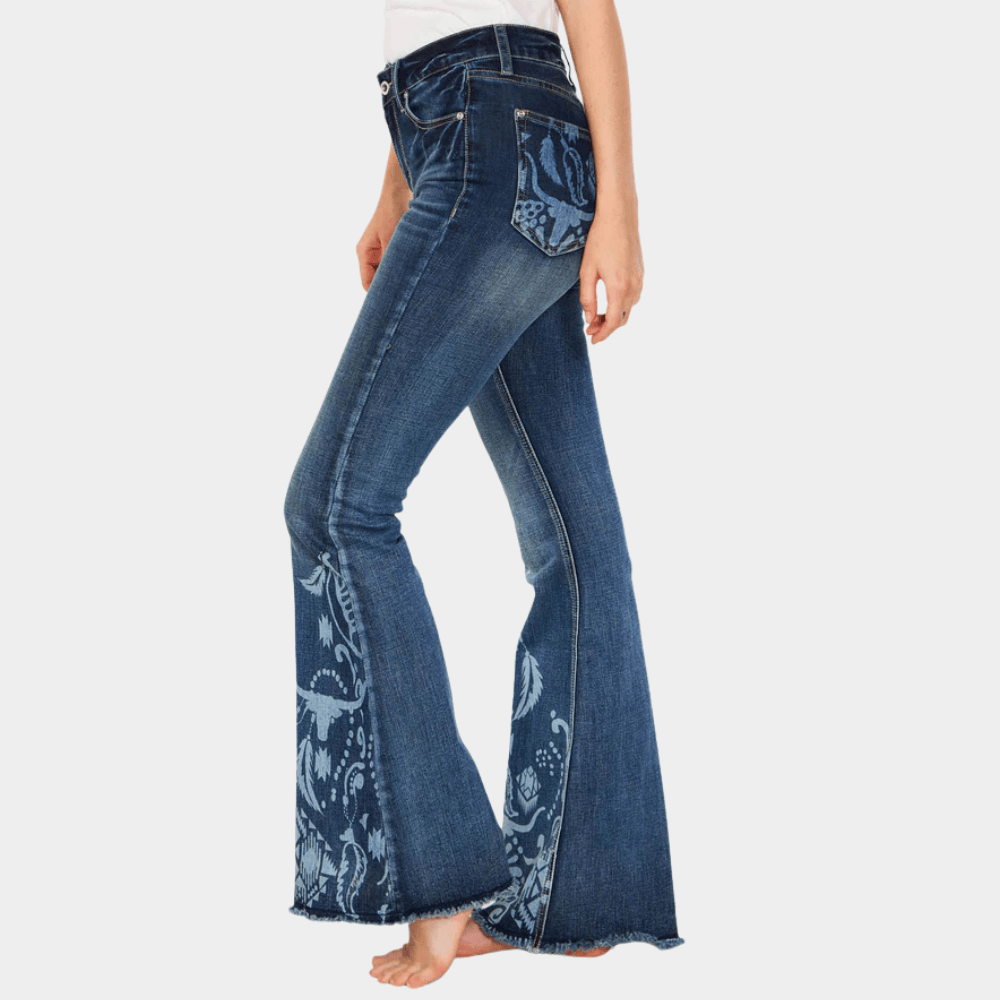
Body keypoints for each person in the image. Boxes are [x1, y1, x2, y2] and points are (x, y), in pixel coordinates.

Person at [282, 0, 683, 988]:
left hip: (488, 141)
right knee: (573, 540)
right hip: (479, 141)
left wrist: (624, 213)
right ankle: (579, 896)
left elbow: (584, 7)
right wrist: (396, 182)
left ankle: (441, 878)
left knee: (336, 506)